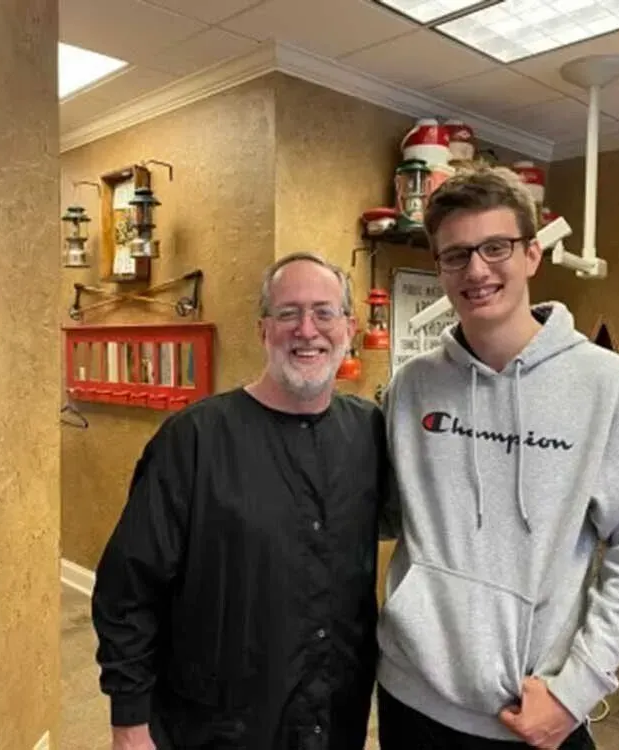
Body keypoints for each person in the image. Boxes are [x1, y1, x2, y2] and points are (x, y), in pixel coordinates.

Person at [376, 165, 619, 750]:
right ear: (438, 267)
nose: (476, 270)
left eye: (496, 248)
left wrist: (577, 690)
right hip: (410, 696)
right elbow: (384, 512)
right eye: (456, 255)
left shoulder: (605, 385)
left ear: (532, 254)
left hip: (532, 707)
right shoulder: (411, 387)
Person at [91, 252, 397, 750]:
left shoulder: (368, 433)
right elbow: (127, 589)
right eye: (287, 313)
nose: (306, 329)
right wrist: (129, 720)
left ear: (349, 327)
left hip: (334, 717)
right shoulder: (194, 440)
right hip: (217, 728)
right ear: (262, 330)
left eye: (323, 312)